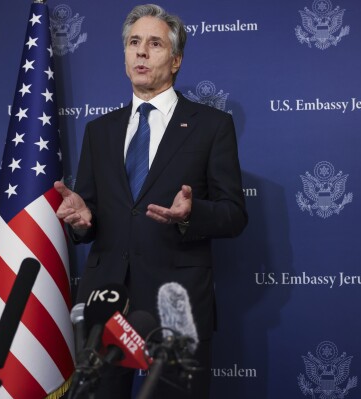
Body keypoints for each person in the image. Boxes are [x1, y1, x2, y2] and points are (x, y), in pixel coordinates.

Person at [54, 4, 247, 398]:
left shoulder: (212, 126)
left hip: (177, 303)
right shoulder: (99, 130)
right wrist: (80, 222)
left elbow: (234, 214)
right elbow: (89, 217)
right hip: (106, 301)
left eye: (154, 43)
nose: (141, 52)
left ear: (175, 60)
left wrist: (192, 214)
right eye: (134, 42)